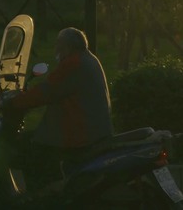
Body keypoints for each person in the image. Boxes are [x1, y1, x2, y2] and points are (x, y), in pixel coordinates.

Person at [8, 27, 113, 191]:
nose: (56, 50)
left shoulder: (73, 63)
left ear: (67, 47)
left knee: (30, 149)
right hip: (93, 129)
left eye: (58, 46)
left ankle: (40, 196)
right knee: (34, 143)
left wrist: (15, 102)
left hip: (81, 133)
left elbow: (47, 91)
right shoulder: (89, 59)